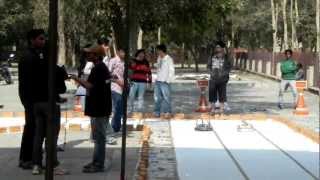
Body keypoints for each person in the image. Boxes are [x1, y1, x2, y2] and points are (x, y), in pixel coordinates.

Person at [26, 29, 68, 175]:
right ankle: (53, 164)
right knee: (51, 137)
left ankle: (36, 165)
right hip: (50, 104)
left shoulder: (35, 63)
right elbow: (61, 87)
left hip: (37, 103)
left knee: (38, 135)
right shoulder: (54, 68)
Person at [70, 45, 112, 173]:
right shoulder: (99, 67)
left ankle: (98, 164)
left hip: (100, 107)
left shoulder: (99, 68)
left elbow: (89, 85)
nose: (87, 55)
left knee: (99, 138)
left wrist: (75, 78)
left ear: (97, 55)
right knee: (97, 137)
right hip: (100, 106)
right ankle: (96, 161)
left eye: (90, 53)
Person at [18, 29, 44, 170]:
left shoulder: (36, 55)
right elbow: (29, 82)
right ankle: (26, 158)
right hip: (31, 100)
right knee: (31, 128)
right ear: (32, 40)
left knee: (33, 128)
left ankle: (30, 156)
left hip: (33, 99)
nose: (42, 41)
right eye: (40, 39)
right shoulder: (28, 57)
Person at [207, 42, 232, 115]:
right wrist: (211, 73)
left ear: (222, 48)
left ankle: (221, 110)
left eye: (219, 47)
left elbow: (229, 67)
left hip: (223, 79)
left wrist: (224, 73)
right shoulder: (212, 56)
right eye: (216, 47)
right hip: (213, 78)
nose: (217, 48)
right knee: (212, 94)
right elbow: (208, 66)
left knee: (222, 95)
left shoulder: (226, 57)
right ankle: (212, 110)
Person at [105, 48, 125, 133]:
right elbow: (108, 74)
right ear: (118, 52)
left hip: (123, 87)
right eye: (123, 52)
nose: (124, 54)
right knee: (117, 107)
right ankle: (114, 127)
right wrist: (117, 81)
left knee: (120, 108)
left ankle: (116, 126)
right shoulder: (113, 61)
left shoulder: (124, 62)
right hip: (114, 87)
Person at [153, 44, 175, 118]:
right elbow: (159, 68)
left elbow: (171, 71)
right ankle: (157, 112)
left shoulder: (169, 59)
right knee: (157, 98)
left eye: (158, 50)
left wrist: (167, 80)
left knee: (166, 98)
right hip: (158, 80)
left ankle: (167, 112)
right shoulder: (159, 58)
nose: (157, 52)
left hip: (165, 81)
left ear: (161, 50)